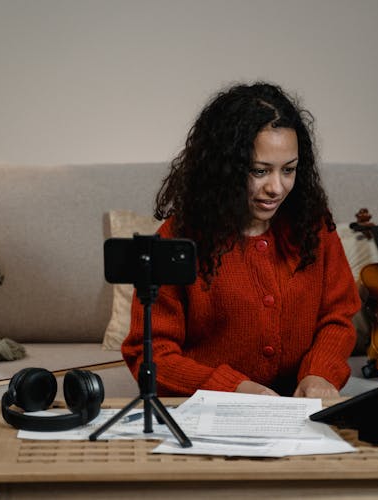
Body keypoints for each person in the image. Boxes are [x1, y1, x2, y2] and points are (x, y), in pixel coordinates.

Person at [121, 82, 360, 398]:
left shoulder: (313, 228)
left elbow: (337, 317)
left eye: (288, 170)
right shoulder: (177, 239)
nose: (276, 187)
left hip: (298, 409)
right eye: (260, 171)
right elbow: (151, 355)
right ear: (224, 169)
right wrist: (233, 389)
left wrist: (320, 373)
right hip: (210, 409)